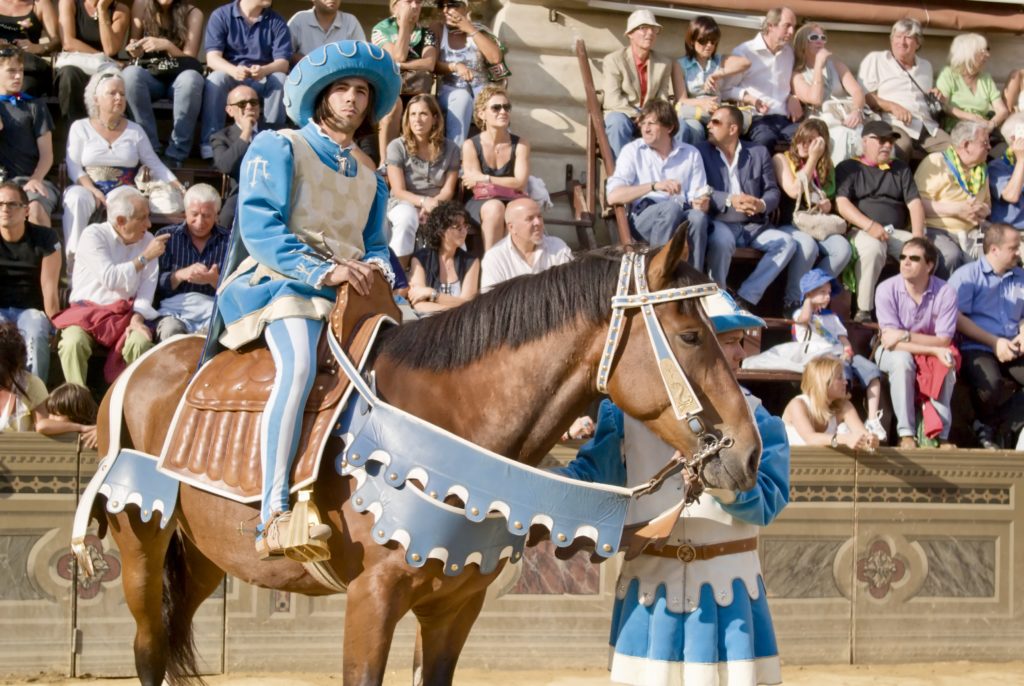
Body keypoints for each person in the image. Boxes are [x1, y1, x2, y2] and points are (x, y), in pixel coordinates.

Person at [215, 41, 399, 558]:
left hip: (353, 296)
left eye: (362, 91)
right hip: (283, 284)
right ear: (322, 95)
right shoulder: (279, 145)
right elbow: (259, 226)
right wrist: (324, 268)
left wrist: (378, 267)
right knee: (297, 368)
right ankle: (272, 515)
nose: (353, 98)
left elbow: (376, 243)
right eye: (342, 87)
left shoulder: (372, 176)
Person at [558, 290, 788, 686]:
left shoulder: (759, 418)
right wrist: (536, 480)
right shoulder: (624, 414)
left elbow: (767, 500)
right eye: (727, 342)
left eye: (739, 342)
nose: (739, 354)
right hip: (651, 594)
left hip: (727, 599)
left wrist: (720, 485)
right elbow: (593, 478)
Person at [62, 69, 183, 274]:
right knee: (76, 198)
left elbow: (153, 163)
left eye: (122, 93)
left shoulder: (135, 130)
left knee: (126, 205)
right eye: (112, 93)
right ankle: (74, 262)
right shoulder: (80, 127)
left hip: (123, 187)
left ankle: (117, 266)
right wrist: (93, 190)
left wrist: (177, 185)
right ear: (96, 99)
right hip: (87, 185)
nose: (119, 97)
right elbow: (73, 165)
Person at [54, 186, 167, 387]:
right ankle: (78, 404)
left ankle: (126, 405)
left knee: (140, 343)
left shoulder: (147, 240)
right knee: (72, 343)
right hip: (86, 313)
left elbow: (146, 290)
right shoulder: (93, 235)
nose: (149, 224)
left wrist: (137, 319)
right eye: (142, 218)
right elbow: (111, 278)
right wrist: (145, 257)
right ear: (121, 221)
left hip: (125, 316)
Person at [698, 104, 796, 310]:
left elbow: (772, 191)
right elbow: (699, 188)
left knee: (787, 243)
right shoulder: (701, 152)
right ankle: (718, 297)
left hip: (754, 225)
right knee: (721, 241)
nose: (709, 126)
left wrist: (760, 204)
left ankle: (745, 298)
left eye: (715, 122)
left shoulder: (758, 153)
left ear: (733, 129)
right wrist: (728, 199)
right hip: (720, 222)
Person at [834, 120, 926, 323]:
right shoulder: (849, 167)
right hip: (861, 230)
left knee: (921, 254)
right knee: (874, 248)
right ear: (865, 141)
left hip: (895, 232)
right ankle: (864, 311)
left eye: (890, 141)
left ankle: (915, 312)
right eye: (881, 140)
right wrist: (870, 226)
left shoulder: (900, 169)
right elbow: (842, 203)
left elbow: (915, 204)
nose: (887, 145)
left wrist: (919, 239)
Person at [874, 237, 958, 449]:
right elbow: (890, 342)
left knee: (946, 360)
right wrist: (932, 348)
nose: (905, 262)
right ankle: (906, 434)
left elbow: (944, 340)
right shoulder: (886, 289)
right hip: (890, 350)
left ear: (929, 265)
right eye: (902, 257)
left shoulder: (946, 291)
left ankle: (941, 436)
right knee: (902, 361)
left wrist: (904, 335)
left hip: (923, 348)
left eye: (913, 258)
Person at [948, 223, 1024, 450]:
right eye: (1013, 248)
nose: (1018, 252)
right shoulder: (967, 275)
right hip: (977, 345)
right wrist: (993, 341)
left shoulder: (1020, 276)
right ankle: (985, 425)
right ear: (994, 250)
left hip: (1013, 344)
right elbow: (956, 317)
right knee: (990, 386)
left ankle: (995, 425)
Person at [605, 99, 710, 260]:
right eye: (643, 123)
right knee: (670, 208)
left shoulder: (691, 153)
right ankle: (657, 272)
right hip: (644, 217)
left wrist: (702, 204)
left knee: (698, 218)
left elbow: (699, 197)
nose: (645, 129)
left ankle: (692, 278)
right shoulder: (632, 151)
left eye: (651, 123)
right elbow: (613, 196)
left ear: (669, 127)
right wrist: (654, 186)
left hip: (681, 213)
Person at [792, 268, 885, 443]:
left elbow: (844, 340)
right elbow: (803, 319)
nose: (827, 297)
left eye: (828, 293)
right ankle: (840, 418)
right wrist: (808, 302)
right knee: (841, 373)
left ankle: (872, 419)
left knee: (872, 371)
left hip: (840, 354)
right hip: (820, 359)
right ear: (809, 293)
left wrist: (848, 351)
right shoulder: (802, 315)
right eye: (822, 292)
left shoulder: (832, 317)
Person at [771, 119, 852, 311]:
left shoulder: (827, 167)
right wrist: (812, 160)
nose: (804, 146)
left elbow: (829, 198)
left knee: (843, 250)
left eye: (812, 142)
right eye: (802, 140)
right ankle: (793, 301)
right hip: (791, 223)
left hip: (816, 225)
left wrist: (826, 205)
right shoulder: (781, 159)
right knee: (807, 247)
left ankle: (811, 292)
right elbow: (793, 190)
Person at [199, 0, 292, 158]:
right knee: (216, 78)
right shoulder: (221, 16)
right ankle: (210, 144)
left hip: (262, 79)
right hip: (232, 78)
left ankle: (272, 142)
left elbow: (283, 63)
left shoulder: (277, 21)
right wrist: (233, 70)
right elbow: (213, 59)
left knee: (280, 79)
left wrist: (265, 70)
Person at [121, 0, 205, 167]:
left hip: (178, 78)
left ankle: (176, 154)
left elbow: (190, 58)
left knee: (191, 79)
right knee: (129, 75)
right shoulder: (141, 5)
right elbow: (133, 45)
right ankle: (149, 148)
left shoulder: (193, 13)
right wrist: (135, 49)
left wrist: (166, 45)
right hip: (151, 75)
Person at [858, 18, 951, 162]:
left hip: (927, 127)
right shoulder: (876, 60)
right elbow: (863, 95)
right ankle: (898, 184)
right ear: (891, 40)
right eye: (898, 36)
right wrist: (891, 106)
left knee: (953, 151)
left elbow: (926, 97)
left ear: (918, 43)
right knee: (901, 146)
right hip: (894, 124)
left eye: (908, 37)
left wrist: (937, 96)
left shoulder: (926, 66)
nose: (902, 42)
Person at [385, 93, 460, 267]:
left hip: (438, 203)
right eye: (413, 114)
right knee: (407, 218)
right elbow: (398, 191)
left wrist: (432, 205)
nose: (417, 120)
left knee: (454, 224)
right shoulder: (397, 146)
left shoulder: (451, 149)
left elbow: (448, 190)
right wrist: (423, 202)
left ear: (435, 118)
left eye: (423, 114)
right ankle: (398, 276)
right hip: (402, 202)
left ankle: (450, 278)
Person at [601, 9, 686, 159]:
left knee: (679, 126)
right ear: (630, 34)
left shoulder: (664, 63)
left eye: (654, 29)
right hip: (624, 113)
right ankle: (621, 176)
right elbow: (612, 100)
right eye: (643, 28)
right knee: (616, 123)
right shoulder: (613, 60)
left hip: (651, 115)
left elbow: (662, 99)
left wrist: (649, 118)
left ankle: (668, 171)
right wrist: (639, 116)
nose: (650, 33)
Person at [914, 120, 991, 277]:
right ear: (966, 145)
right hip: (939, 229)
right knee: (951, 256)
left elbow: (988, 204)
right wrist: (957, 210)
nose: (989, 147)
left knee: (998, 251)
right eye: (985, 143)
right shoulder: (936, 162)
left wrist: (982, 210)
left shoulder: (982, 170)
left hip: (973, 230)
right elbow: (917, 203)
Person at [0, 181, 60, 383]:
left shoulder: (45, 237)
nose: (5, 209)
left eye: (11, 204)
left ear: (26, 210)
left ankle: (34, 398)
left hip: (30, 310)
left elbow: (49, 286)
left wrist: (53, 324)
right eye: (0, 204)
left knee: (35, 330)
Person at [154, 183, 229, 340]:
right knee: (171, 331)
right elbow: (154, 285)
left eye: (207, 216)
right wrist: (180, 275)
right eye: (194, 214)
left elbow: (238, 289)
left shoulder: (228, 241)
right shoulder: (167, 237)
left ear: (217, 214)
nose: (200, 222)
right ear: (185, 212)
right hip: (174, 311)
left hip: (213, 310)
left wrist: (214, 280)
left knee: (215, 335)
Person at [461, 85, 529, 252]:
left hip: (512, 199)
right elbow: (474, 186)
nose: (503, 111)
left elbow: (520, 183)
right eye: (496, 107)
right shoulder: (471, 145)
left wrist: (486, 178)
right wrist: (507, 182)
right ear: (482, 114)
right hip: (479, 202)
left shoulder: (521, 144)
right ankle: (492, 270)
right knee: (495, 208)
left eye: (507, 107)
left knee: (522, 211)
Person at [723, 6, 801, 150]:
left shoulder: (789, 53)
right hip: (756, 119)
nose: (791, 32)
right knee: (765, 141)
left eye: (793, 27)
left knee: (809, 139)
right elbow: (725, 90)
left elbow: (791, 84)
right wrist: (749, 98)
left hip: (785, 120)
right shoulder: (745, 51)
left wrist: (793, 97)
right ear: (771, 26)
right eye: (787, 26)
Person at [790, 22, 867, 165]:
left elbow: (857, 91)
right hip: (822, 122)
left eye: (823, 37)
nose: (820, 40)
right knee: (842, 136)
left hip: (847, 115)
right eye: (814, 37)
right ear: (802, 44)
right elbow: (815, 99)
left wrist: (857, 111)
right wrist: (818, 65)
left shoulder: (835, 63)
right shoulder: (797, 74)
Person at [430, 0, 505, 146]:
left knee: (493, 102)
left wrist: (470, 30)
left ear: (466, 6)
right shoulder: (437, 28)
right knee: (462, 99)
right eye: (441, 6)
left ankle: (498, 155)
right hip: (451, 90)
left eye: (451, 4)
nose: (445, 10)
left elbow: (495, 58)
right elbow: (431, 63)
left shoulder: (480, 30)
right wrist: (454, 66)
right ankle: (456, 158)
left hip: (480, 90)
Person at [0, 46, 59, 227]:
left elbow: (47, 154)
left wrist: (36, 178)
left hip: (32, 179)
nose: (18, 76)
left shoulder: (34, 105)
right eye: (11, 71)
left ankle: (46, 254)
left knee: (35, 209)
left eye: (21, 71)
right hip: (3, 180)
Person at [371, 0, 438, 163]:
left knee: (422, 109)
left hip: (417, 90)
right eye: (409, 1)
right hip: (389, 88)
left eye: (418, 2)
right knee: (394, 106)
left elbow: (429, 63)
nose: (415, 6)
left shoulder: (426, 33)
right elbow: (397, 55)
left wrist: (400, 66)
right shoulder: (381, 29)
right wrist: (405, 27)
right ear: (395, 6)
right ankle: (386, 163)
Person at [674, 15, 750, 144]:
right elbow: (681, 100)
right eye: (703, 41)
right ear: (692, 40)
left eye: (713, 41)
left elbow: (746, 63)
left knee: (725, 126)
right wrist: (702, 103)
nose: (709, 45)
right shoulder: (680, 64)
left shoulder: (719, 60)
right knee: (695, 129)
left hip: (716, 111)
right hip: (695, 112)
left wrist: (718, 74)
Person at [55, 0, 130, 122]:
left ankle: (106, 131)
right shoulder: (69, 3)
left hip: (105, 71)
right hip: (77, 67)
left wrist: (102, 10)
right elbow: (68, 42)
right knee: (68, 74)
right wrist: (102, 58)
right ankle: (74, 132)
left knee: (111, 83)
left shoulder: (120, 10)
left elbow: (110, 49)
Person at [783, 355, 879, 450]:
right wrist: (845, 439)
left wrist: (870, 440)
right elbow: (810, 439)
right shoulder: (798, 405)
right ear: (823, 382)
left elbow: (862, 434)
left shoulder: (844, 406)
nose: (845, 382)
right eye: (840, 377)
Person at [479, 197, 570, 293]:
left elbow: (571, 290)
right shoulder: (495, 257)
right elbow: (490, 302)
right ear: (511, 227)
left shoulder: (558, 248)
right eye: (529, 218)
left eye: (539, 216)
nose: (538, 223)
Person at [406, 200, 479, 313]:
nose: (464, 231)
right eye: (458, 227)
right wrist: (452, 311)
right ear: (441, 230)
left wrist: (432, 294)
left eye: (465, 226)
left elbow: (468, 305)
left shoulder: (471, 262)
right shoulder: (420, 259)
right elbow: (419, 304)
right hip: (428, 324)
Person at [210, 84, 261, 228]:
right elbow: (224, 166)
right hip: (242, 193)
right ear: (230, 110)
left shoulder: (275, 130)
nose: (249, 107)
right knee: (225, 220)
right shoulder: (221, 137)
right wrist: (246, 133)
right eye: (242, 104)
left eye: (254, 102)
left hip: (274, 191)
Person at [935, 33, 1007, 135]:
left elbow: (1002, 110)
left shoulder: (985, 78)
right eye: (983, 51)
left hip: (983, 131)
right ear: (969, 53)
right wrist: (972, 117)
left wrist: (991, 124)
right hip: (957, 130)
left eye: (987, 50)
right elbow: (944, 106)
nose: (988, 54)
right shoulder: (948, 74)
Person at [0, 0, 59, 96]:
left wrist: (37, 48)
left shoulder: (40, 4)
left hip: (25, 66)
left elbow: (57, 41)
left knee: (25, 88)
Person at [287, 0, 364, 64]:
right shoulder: (299, 19)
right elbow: (285, 52)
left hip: (341, 76)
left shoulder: (351, 21)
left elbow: (362, 53)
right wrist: (309, 62)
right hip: (306, 75)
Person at [988, 112, 1024, 230]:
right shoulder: (997, 166)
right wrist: (1021, 161)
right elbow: (1011, 196)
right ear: (1015, 139)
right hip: (1010, 231)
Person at [44, 381, 98, 448]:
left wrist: (102, 432)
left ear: (76, 415)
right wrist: (82, 427)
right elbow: (41, 426)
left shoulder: (96, 433)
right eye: (49, 413)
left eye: (56, 415)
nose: (50, 418)